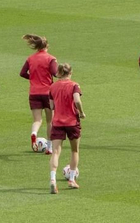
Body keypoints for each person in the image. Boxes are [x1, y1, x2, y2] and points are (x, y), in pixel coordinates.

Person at [47, 62, 84, 193]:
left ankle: (52, 179)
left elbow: (51, 106)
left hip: (57, 122)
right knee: (74, 151)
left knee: (56, 152)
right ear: (70, 73)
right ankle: (72, 180)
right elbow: (77, 100)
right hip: (72, 122)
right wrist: (81, 112)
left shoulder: (53, 87)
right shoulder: (74, 85)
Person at [21, 33, 59, 153]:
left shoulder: (30, 58)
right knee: (50, 121)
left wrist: (33, 78)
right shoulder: (50, 58)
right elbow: (55, 73)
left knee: (37, 120)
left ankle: (34, 132)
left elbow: (22, 73)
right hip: (48, 93)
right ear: (46, 46)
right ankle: (49, 147)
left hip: (34, 93)